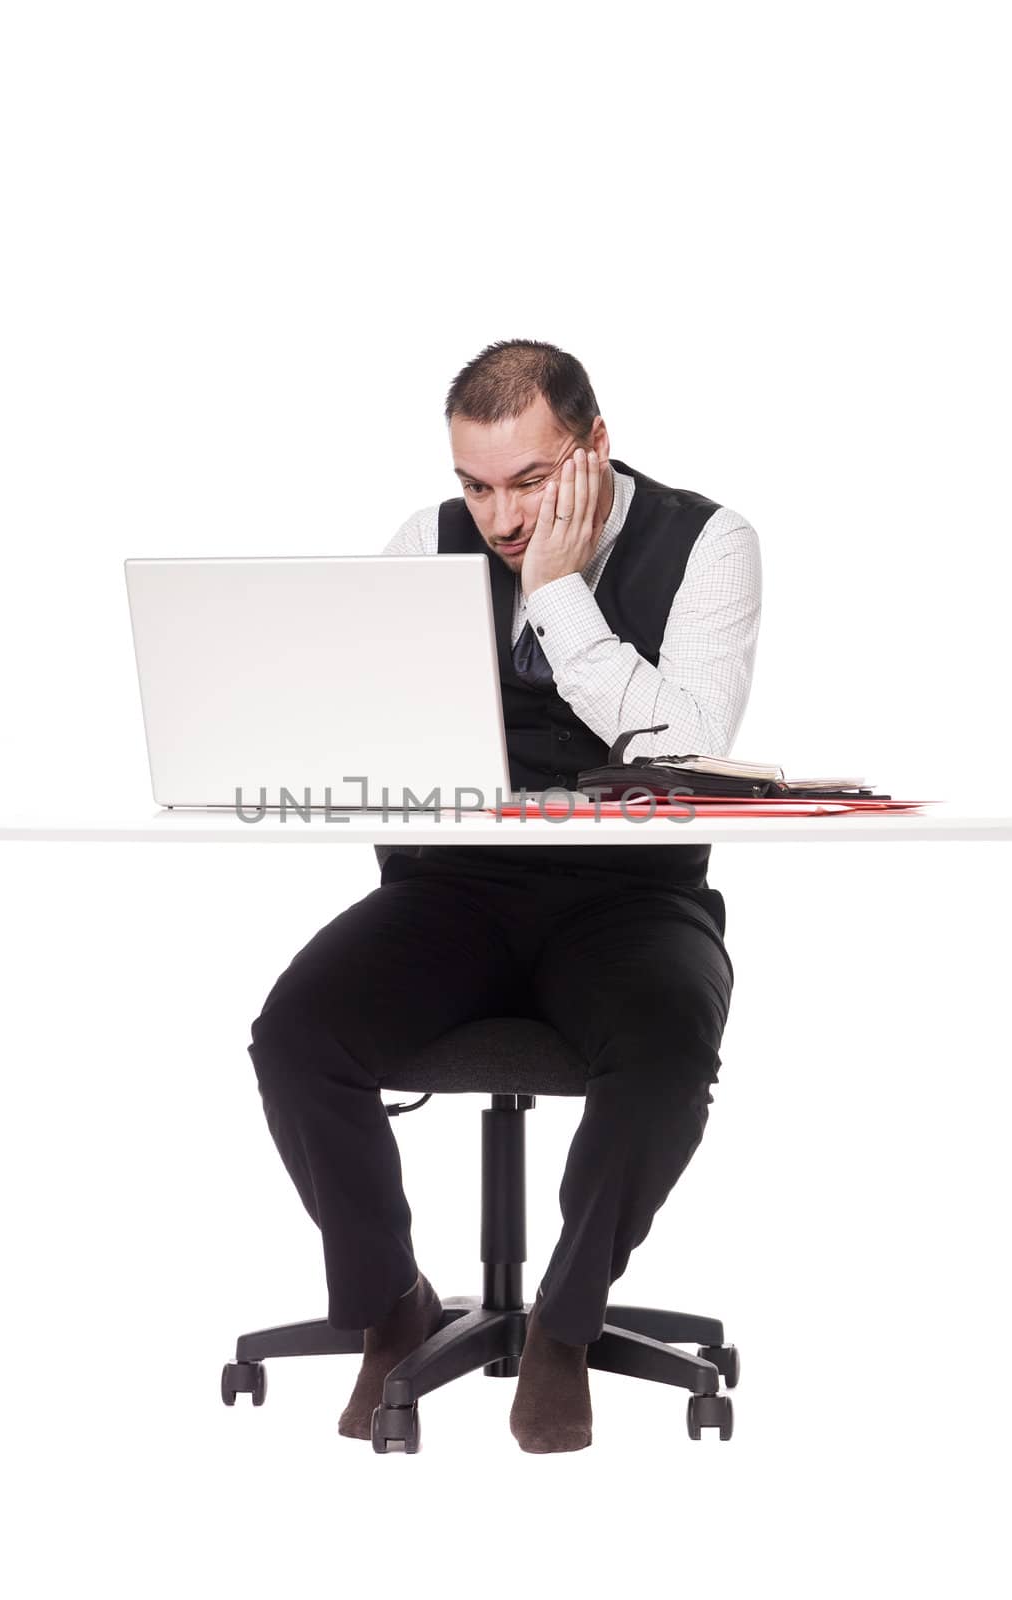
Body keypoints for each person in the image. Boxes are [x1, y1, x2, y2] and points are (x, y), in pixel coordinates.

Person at [247, 338, 762, 1452]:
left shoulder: (710, 543)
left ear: (596, 446)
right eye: (476, 485)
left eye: (531, 481)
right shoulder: (424, 543)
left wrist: (560, 594)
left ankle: (564, 1331)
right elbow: (359, 721)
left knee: (668, 1049)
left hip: (632, 896)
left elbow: (684, 744)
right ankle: (392, 1306)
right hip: (458, 890)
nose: (500, 515)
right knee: (295, 1034)